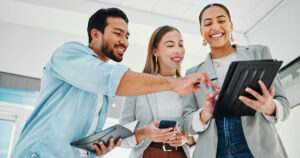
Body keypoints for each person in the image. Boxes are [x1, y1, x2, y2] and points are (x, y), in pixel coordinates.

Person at [11, 8, 217, 158]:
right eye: (117, 33)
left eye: (127, 36)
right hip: (40, 153)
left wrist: (100, 147)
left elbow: (88, 135)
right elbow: (108, 77)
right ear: (95, 34)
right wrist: (172, 84)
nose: (125, 41)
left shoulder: (101, 94)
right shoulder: (70, 53)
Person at [181, 3, 290, 158]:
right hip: (216, 151)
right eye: (208, 23)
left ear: (231, 25)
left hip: (258, 148)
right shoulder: (193, 74)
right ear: (202, 32)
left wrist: (270, 107)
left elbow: (284, 105)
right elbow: (185, 123)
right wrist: (205, 114)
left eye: (221, 20)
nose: (215, 27)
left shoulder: (259, 53)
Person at [119, 25, 199, 158]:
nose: (178, 50)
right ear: (155, 51)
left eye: (180, 45)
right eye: (170, 45)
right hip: (148, 154)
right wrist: (144, 133)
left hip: (181, 154)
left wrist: (186, 138)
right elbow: (121, 137)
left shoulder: (190, 86)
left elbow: (199, 132)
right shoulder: (137, 85)